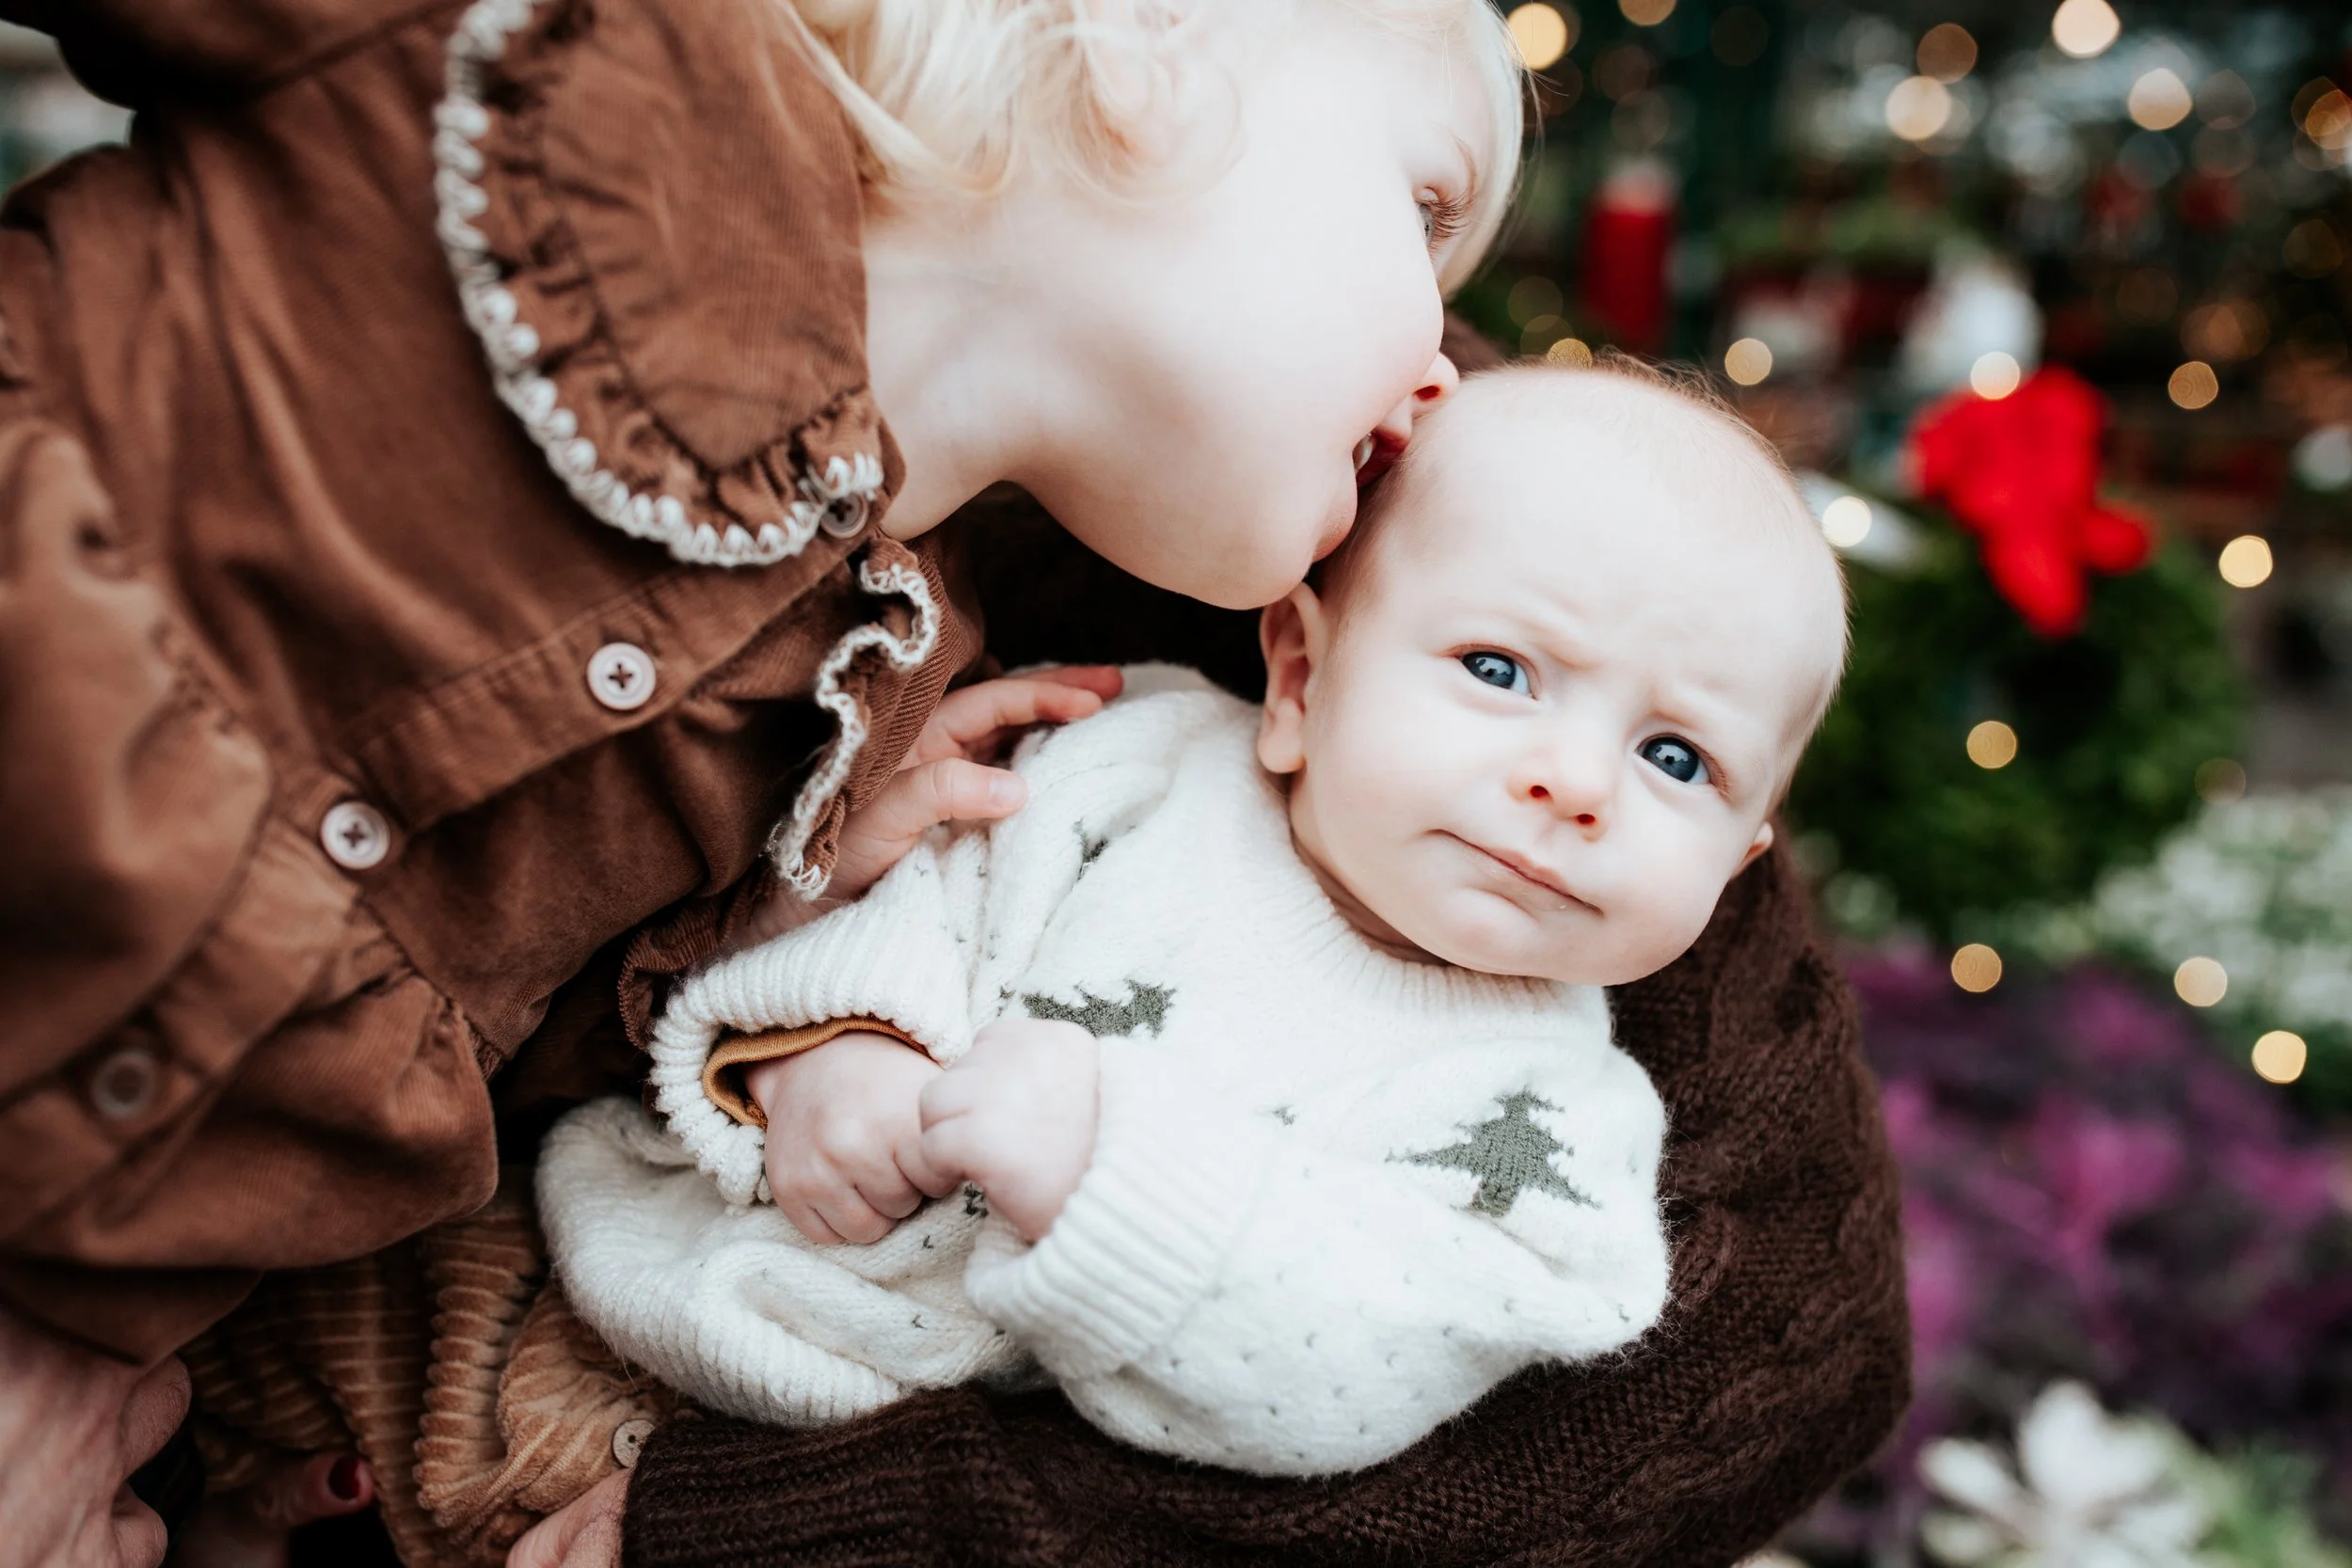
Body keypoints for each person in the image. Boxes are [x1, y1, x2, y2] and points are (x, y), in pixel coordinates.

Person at [0, 1, 1903, 1565]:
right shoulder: (581, 65)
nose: (1435, 373)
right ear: (1146, 45)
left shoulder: (895, 679)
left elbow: (509, 1014)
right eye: (1416, 217)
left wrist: (777, 939)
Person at [523, 359, 1847, 1486]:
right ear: (1299, 674)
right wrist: (833, 1043)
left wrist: (1112, 1184)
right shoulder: (1133, 761)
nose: (1579, 783)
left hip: (845, 1470)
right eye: (1500, 672)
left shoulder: (1553, 1126)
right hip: (591, 1293)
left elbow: (1365, 1367)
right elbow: (909, 883)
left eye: (1678, 759)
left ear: (1737, 862)